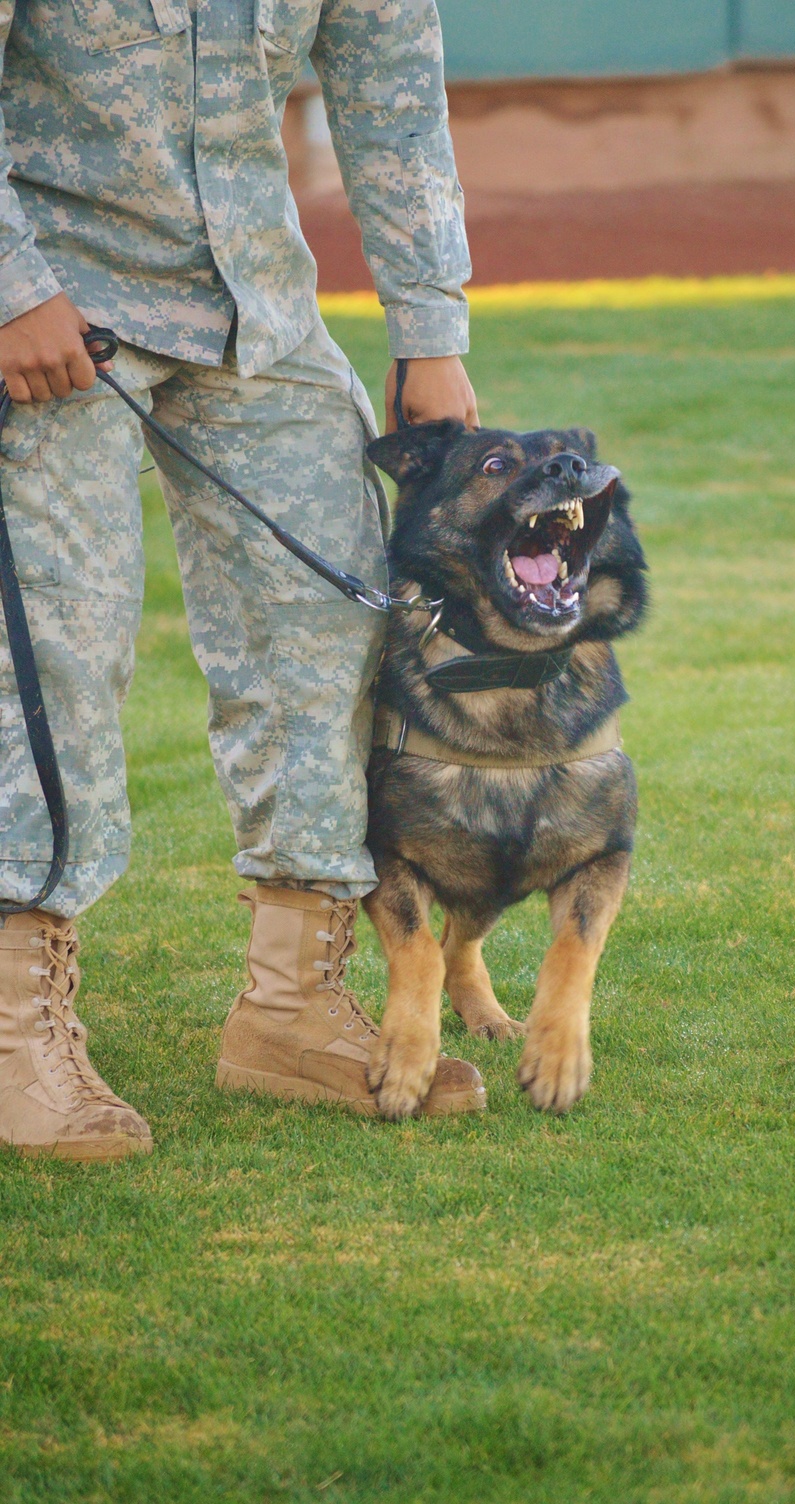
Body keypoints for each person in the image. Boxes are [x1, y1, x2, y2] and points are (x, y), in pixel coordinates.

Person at [0, 0, 486, 1160]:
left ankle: (288, 1005)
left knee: (323, 620)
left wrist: (432, 332)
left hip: (254, 305)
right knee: (61, 646)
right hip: (56, 312)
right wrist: (11, 288)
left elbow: (394, 91)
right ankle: (15, 1028)